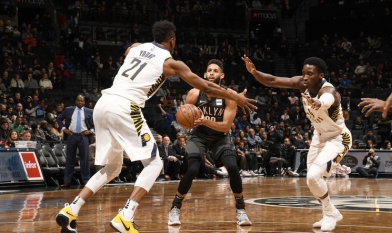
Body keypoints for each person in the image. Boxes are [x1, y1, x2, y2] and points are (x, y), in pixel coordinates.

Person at [56, 20, 256, 233]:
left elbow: (130, 49)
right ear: (172, 40)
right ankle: (126, 215)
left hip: (102, 104)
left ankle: (71, 210)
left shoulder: (136, 47)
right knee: (154, 163)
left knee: (112, 168)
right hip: (125, 106)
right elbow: (207, 86)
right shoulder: (171, 63)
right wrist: (235, 95)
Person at [242, 55, 351, 232]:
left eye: (310, 73)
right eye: (303, 73)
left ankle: (331, 213)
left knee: (313, 176)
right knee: (312, 181)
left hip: (338, 138)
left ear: (321, 75)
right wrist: (254, 71)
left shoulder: (329, 92)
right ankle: (328, 213)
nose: (305, 77)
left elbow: (327, 100)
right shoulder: (302, 83)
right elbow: (272, 80)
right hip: (319, 137)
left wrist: (318, 103)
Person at [168, 59, 252, 227]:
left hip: (219, 137)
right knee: (192, 169)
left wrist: (205, 120)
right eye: (209, 70)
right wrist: (187, 121)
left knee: (233, 167)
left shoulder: (230, 96)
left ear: (222, 75)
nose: (212, 73)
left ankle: (241, 210)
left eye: (216, 70)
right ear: (205, 75)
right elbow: (184, 119)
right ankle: (175, 208)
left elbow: (226, 127)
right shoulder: (194, 93)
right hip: (198, 135)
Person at [56, 95, 94, 188]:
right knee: (70, 159)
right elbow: (59, 118)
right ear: (75, 101)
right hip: (71, 135)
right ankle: (67, 181)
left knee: (84, 160)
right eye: (78, 100)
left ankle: (86, 181)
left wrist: (91, 130)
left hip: (83, 136)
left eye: (81, 101)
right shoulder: (69, 109)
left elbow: (98, 122)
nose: (80, 102)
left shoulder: (90, 111)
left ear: (84, 102)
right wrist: (64, 128)